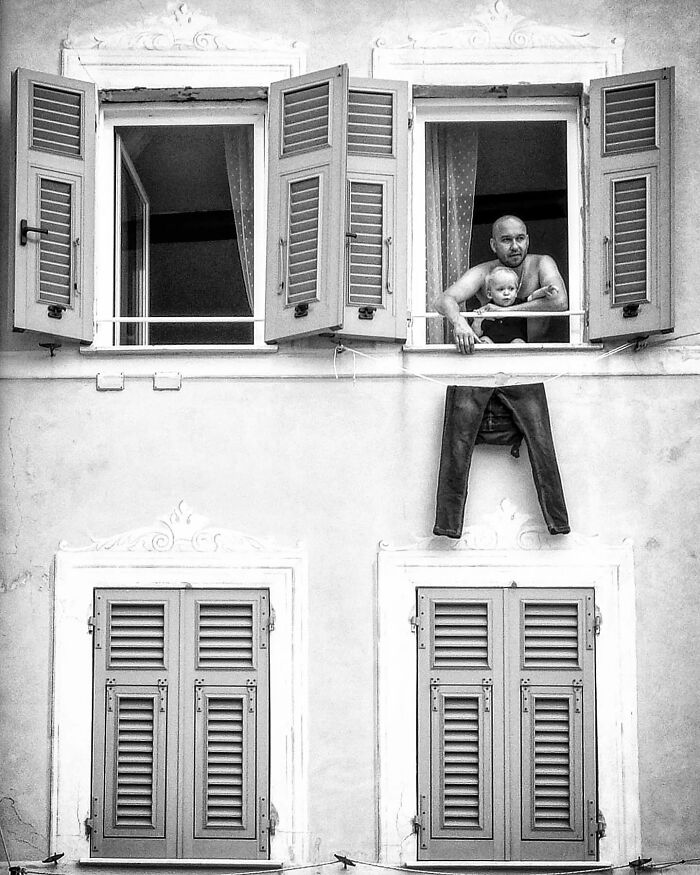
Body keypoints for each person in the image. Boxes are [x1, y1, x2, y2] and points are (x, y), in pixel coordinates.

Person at [433, 215, 568, 354]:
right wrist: (459, 322)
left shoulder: (542, 263)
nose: (515, 246)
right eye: (506, 240)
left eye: (520, 238)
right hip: (492, 357)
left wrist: (504, 311)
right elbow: (443, 300)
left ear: (527, 241)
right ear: (493, 245)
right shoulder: (483, 272)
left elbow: (560, 302)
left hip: (539, 355)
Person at [473, 266, 527, 344]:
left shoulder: (521, 304)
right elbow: (476, 335)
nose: (506, 293)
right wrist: (477, 322)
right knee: (484, 340)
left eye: (511, 289)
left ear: (516, 292)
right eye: (501, 289)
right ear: (489, 294)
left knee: (519, 342)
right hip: (492, 348)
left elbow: (532, 298)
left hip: (513, 349)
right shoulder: (486, 309)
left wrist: (543, 291)